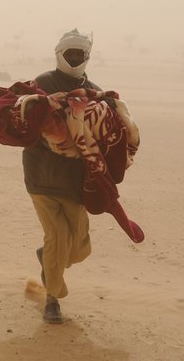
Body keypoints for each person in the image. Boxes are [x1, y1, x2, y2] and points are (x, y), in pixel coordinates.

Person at [23, 29, 108, 324]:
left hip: (76, 183)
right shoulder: (41, 85)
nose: (74, 59)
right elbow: (24, 122)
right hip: (41, 177)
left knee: (80, 248)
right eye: (69, 54)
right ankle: (52, 299)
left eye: (79, 54)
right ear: (59, 54)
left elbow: (103, 136)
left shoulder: (95, 92)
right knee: (58, 238)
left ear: (86, 56)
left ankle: (46, 256)